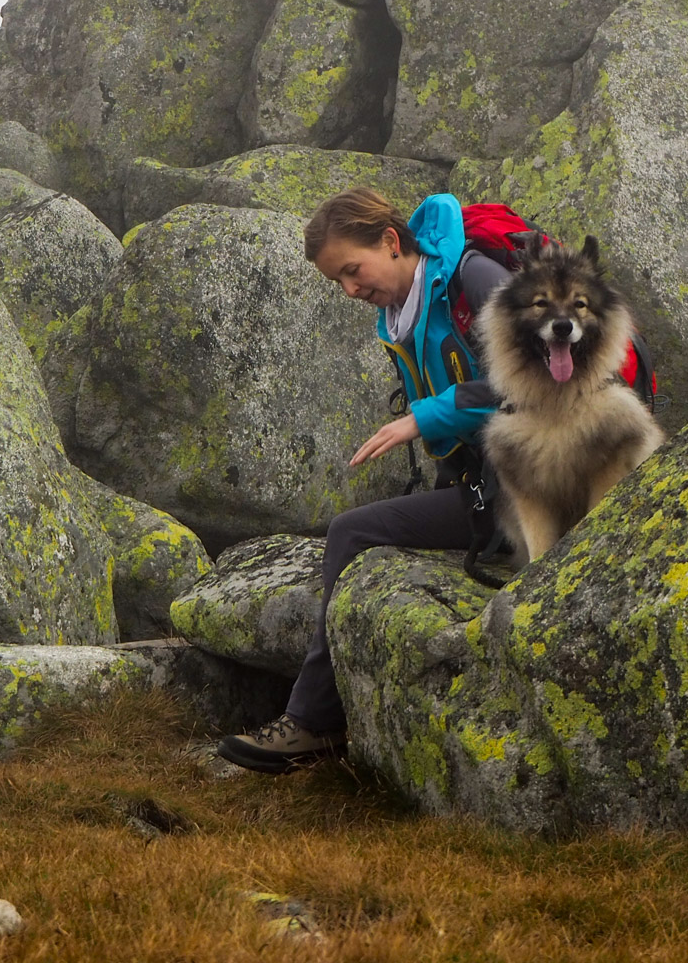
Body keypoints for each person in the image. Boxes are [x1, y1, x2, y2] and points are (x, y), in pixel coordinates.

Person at [216, 187, 509, 774]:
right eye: (338, 282)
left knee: (350, 532)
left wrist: (420, 418)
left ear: (391, 241)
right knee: (359, 527)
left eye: (352, 270)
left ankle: (311, 723)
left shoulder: (476, 281)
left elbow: (539, 382)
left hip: (542, 486)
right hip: (493, 483)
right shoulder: (411, 311)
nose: (350, 290)